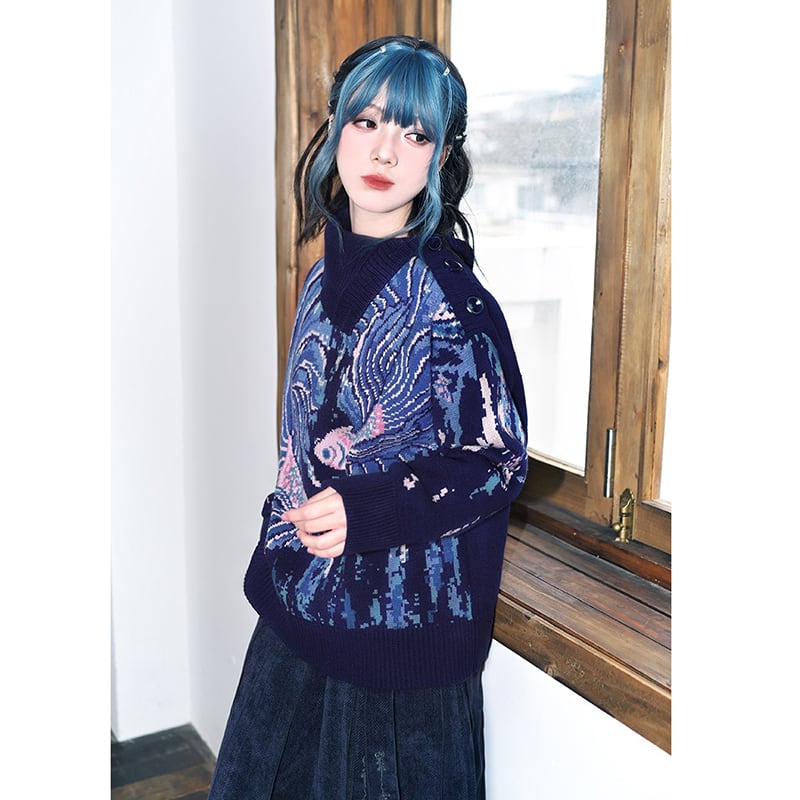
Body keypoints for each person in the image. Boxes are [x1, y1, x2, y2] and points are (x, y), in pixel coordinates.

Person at [207, 35, 528, 800]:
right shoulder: (319, 282)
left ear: (440, 158)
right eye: (368, 121)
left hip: (396, 654)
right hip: (295, 618)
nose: (386, 149)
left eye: (415, 133)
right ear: (336, 129)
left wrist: (371, 509)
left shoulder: (452, 302)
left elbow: (500, 459)